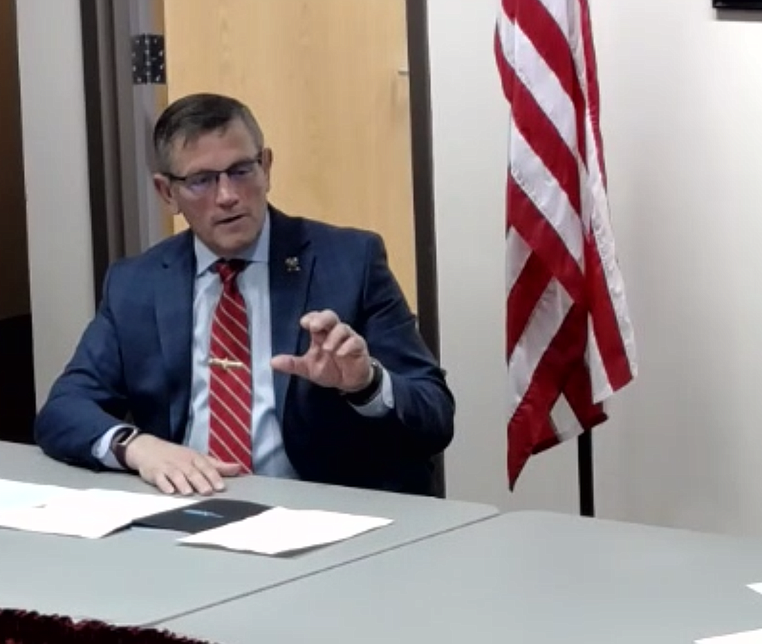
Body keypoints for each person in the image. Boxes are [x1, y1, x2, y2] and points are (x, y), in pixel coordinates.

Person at [34, 92, 454, 497]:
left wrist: (366, 383)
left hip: (318, 514)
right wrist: (139, 447)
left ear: (266, 167)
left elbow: (435, 413)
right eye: (201, 181)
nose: (228, 196)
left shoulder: (348, 261)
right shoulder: (136, 283)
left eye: (241, 171)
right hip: (187, 509)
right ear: (167, 193)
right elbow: (63, 410)